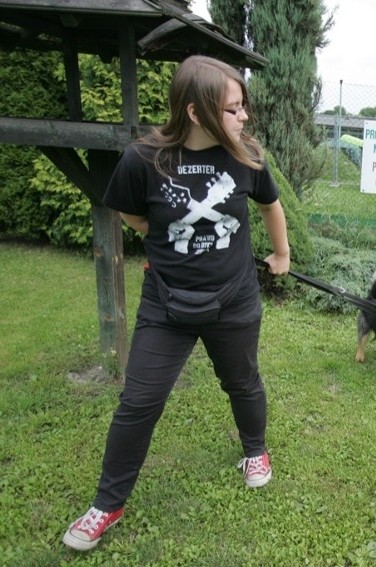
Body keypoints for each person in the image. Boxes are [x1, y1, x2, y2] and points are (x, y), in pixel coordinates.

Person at [62, 55, 291, 551]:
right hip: (166, 305)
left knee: (241, 380)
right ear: (195, 112)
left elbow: (270, 204)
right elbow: (125, 208)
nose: (244, 116)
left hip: (234, 301)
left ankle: (255, 451)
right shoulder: (144, 159)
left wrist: (281, 252)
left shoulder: (246, 155)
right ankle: (107, 502)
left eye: (242, 106)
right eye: (233, 109)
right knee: (139, 400)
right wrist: (161, 231)